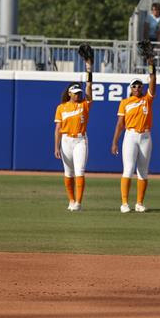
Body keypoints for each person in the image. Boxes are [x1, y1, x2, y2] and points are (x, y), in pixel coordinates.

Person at [110, 49, 157, 213]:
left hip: (145, 136)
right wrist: (115, 141)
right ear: (131, 88)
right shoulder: (125, 102)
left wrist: (151, 64)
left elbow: (153, 80)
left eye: (139, 85)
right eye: (134, 85)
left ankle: (139, 203)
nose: (137, 87)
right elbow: (120, 124)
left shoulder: (147, 99)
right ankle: (124, 203)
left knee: (143, 171)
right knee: (128, 169)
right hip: (130, 136)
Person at [53, 57, 94, 211]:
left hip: (80, 140)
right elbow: (57, 129)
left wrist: (89, 71)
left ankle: (78, 202)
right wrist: (56, 146)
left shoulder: (84, 105)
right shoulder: (61, 108)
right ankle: (71, 200)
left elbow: (89, 90)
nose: (78, 94)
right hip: (65, 141)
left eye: (79, 92)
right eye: (75, 93)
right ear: (70, 93)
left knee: (80, 171)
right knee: (68, 172)